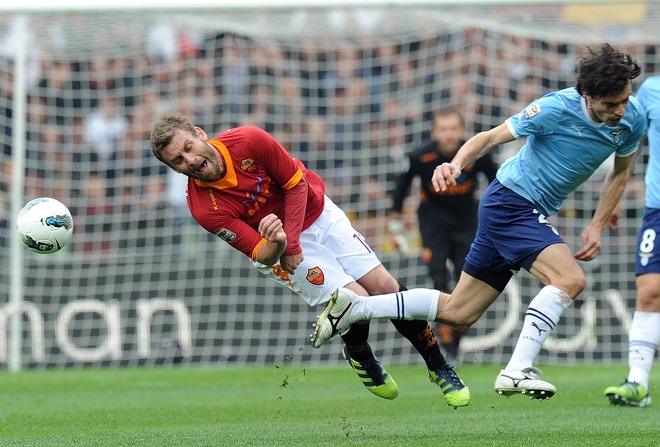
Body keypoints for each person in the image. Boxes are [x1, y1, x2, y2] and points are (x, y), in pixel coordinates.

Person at [312, 43, 647, 400]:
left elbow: (621, 172)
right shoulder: (554, 108)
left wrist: (596, 223)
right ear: (587, 94)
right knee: (570, 279)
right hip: (512, 203)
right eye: (610, 105)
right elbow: (489, 138)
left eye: (624, 100)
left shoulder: (632, 118)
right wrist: (456, 165)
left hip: (516, 208)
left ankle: (357, 307)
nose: (620, 111)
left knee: (459, 312)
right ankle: (517, 371)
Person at [149, 113, 470, 408]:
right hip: (277, 251)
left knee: (384, 287)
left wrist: (288, 241)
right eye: (178, 160)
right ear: (174, 168)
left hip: (317, 214)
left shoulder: (249, 140)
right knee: (355, 300)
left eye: (189, 147)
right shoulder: (204, 208)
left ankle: (439, 366)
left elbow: (295, 185)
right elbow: (259, 252)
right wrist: (278, 246)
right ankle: (360, 354)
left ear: (200, 134)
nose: (190, 160)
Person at [389, 107, 498, 362]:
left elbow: (497, 181)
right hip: (432, 222)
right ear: (434, 132)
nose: (449, 135)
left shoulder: (477, 154)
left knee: (466, 276)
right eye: (443, 130)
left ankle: (456, 335)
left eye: (453, 129)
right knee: (438, 275)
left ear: (462, 130)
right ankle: (445, 337)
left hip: (467, 219)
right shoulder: (420, 156)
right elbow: (401, 186)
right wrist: (396, 222)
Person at [604, 75, 660, 408]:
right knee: (650, 289)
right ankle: (637, 382)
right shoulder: (652, 90)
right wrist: (615, 193)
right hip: (657, 208)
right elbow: (630, 139)